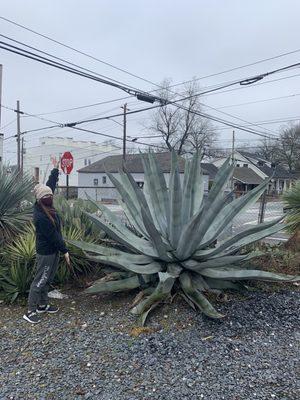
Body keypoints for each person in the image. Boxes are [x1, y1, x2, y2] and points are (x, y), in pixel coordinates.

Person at [23, 158, 71, 324]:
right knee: (41, 279)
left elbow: (50, 185)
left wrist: (55, 169)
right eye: (47, 196)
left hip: (53, 251)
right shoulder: (40, 217)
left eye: (51, 195)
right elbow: (54, 237)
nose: (50, 197)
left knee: (48, 278)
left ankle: (43, 305)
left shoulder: (46, 204)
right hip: (46, 252)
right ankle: (30, 310)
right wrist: (65, 251)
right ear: (39, 199)